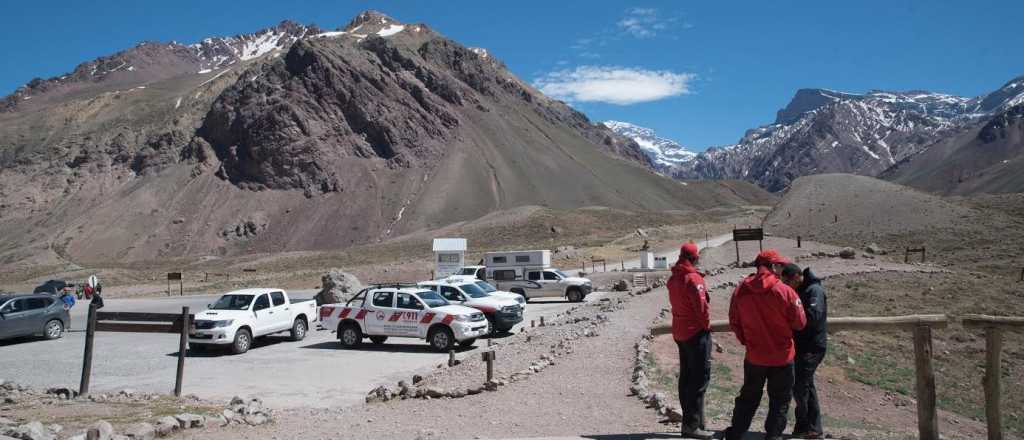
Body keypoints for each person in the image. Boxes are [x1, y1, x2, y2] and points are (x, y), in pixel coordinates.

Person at [724, 250, 807, 440]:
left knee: (748, 397)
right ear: (773, 266)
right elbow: (800, 323)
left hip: (754, 355)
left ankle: (735, 434)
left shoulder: (741, 289)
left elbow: (733, 320)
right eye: (779, 265)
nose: (781, 269)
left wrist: (746, 340)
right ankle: (773, 436)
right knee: (780, 400)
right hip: (782, 356)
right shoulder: (785, 291)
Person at [667, 241, 713, 439]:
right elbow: (702, 309)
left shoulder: (674, 278)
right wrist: (706, 326)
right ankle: (692, 425)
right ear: (694, 258)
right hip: (695, 332)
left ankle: (689, 422)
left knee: (686, 377)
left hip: (679, 331)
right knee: (699, 378)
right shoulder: (694, 279)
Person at [782, 264, 828, 439]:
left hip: (812, 346)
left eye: (789, 281)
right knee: (803, 385)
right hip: (802, 346)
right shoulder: (802, 289)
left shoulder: (813, 290)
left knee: (803, 384)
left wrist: (792, 320)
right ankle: (805, 426)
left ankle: (813, 427)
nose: (788, 285)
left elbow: (813, 318)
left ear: (798, 276)